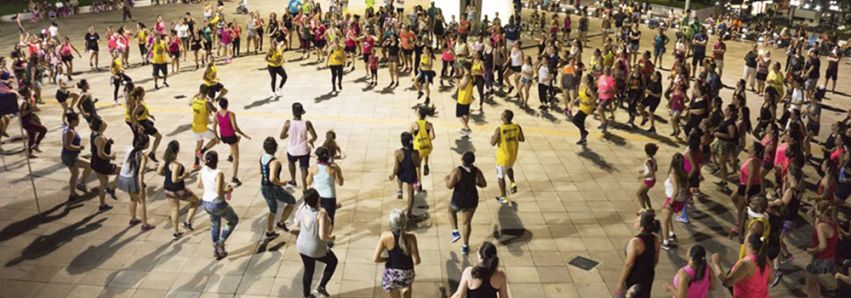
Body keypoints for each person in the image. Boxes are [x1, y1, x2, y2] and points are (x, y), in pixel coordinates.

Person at [296, 188, 338, 298]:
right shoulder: (321, 214)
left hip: (301, 245)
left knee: (308, 270)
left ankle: (306, 295)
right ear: (318, 199)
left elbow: (297, 224)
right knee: (333, 261)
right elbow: (322, 236)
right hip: (314, 248)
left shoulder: (302, 207)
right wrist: (331, 238)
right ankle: (322, 286)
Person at [198, 151, 238, 259]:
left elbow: (198, 185)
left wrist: (209, 185)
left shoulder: (202, 170)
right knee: (233, 220)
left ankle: (217, 250)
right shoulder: (218, 173)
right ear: (217, 161)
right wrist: (227, 190)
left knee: (215, 224)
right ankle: (220, 242)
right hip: (217, 203)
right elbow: (219, 191)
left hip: (206, 202)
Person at [373, 208, 421, 298]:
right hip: (407, 273)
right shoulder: (411, 238)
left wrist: (386, 259)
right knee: (407, 285)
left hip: (392, 274)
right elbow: (417, 261)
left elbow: (375, 258)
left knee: (393, 289)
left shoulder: (385, 237)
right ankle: (406, 290)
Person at [446, 151, 487, 255]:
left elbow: (450, 186)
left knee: (451, 211)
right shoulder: (476, 171)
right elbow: (483, 184)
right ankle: (465, 246)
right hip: (472, 200)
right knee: (466, 223)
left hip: (459, 199)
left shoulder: (457, 171)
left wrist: (447, 179)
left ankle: (455, 231)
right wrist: (474, 182)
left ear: (462, 159)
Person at [159, 140, 200, 240]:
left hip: (167, 189)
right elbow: (175, 179)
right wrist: (184, 175)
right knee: (196, 201)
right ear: (177, 150)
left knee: (174, 210)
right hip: (178, 189)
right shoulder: (176, 165)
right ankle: (187, 222)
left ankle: (176, 232)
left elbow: (159, 172)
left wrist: (167, 175)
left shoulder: (163, 161)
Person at [710, 233, 773, 297]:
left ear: (749, 245)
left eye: (745, 239)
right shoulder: (766, 260)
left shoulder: (746, 264)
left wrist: (716, 263)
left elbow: (727, 282)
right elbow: (770, 280)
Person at [615, 211, 661, 298]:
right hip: (648, 275)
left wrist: (620, 283)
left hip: (634, 276)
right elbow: (655, 259)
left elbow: (629, 264)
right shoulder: (655, 240)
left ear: (642, 227)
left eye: (637, 221)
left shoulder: (635, 241)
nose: (634, 222)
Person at [259, 137, 297, 238]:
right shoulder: (274, 162)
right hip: (272, 187)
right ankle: (281, 222)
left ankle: (270, 231)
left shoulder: (262, 157)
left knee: (273, 209)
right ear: (275, 148)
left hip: (263, 186)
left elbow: (262, 172)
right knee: (292, 201)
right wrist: (281, 183)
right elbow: (272, 178)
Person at [117, 134, 154, 232]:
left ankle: (133, 219)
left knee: (132, 198)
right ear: (146, 144)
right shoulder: (143, 156)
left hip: (123, 177)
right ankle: (144, 225)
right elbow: (141, 172)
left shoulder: (129, 149)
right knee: (142, 201)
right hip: (133, 179)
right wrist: (140, 185)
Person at [212, 98, 251, 186]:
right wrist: (245, 135)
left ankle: (230, 156)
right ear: (227, 104)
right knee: (236, 158)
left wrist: (217, 137)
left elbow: (214, 127)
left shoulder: (216, 115)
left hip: (223, 137)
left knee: (237, 139)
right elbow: (235, 128)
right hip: (231, 136)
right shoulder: (231, 114)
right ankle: (234, 177)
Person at [280, 102, 317, 191]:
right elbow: (315, 136)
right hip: (303, 150)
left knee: (291, 163)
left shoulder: (288, 123)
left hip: (292, 150)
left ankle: (293, 180)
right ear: (301, 112)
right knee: (304, 168)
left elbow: (281, 136)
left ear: (293, 112)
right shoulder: (307, 123)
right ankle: (305, 188)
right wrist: (311, 141)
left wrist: (289, 135)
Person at [805, 202, 839, 298]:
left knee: (810, 287)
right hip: (830, 257)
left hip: (820, 259)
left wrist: (811, 251)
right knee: (816, 283)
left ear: (821, 212)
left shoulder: (822, 226)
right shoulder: (834, 223)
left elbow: (823, 246)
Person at [491, 109, 524, 205]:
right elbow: (522, 139)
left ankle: (503, 197)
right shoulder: (517, 127)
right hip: (513, 155)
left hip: (503, 157)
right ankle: (513, 183)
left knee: (500, 177)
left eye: (502, 114)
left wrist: (493, 137)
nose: (500, 115)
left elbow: (493, 143)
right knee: (509, 168)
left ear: (505, 118)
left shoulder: (499, 129)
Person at [307, 146, 344, 225]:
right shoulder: (332, 169)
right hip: (329, 197)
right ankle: (327, 236)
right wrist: (338, 171)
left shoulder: (313, 169)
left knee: (317, 219)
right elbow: (340, 183)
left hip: (317, 196)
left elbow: (308, 182)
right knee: (329, 220)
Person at [89, 117, 119, 212]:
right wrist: (111, 157)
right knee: (122, 171)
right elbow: (100, 154)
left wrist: (108, 142)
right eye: (102, 123)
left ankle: (102, 205)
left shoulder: (94, 134)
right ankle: (112, 188)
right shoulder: (100, 138)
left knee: (103, 183)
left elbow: (105, 125)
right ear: (100, 125)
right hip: (102, 164)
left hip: (95, 163)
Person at [660, 153, 689, 250]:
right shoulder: (684, 173)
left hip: (672, 199)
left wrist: (670, 202)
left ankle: (665, 242)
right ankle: (671, 233)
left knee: (663, 221)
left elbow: (676, 190)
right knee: (668, 218)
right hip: (681, 200)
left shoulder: (674, 174)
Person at [62, 112, 92, 201]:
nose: (79, 121)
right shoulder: (70, 132)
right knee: (89, 166)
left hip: (70, 155)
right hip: (70, 156)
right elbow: (67, 145)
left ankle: (74, 192)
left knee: (75, 174)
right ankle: (78, 188)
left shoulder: (68, 129)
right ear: (73, 121)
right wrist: (79, 147)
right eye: (77, 120)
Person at [390, 132, 420, 219]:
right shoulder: (415, 153)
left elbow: (396, 167)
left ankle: (400, 189)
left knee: (399, 175)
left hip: (401, 174)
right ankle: (409, 213)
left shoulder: (398, 153)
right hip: (411, 175)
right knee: (411, 195)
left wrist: (393, 175)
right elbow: (417, 164)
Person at [191, 86, 219, 170]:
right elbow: (215, 110)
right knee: (216, 139)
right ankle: (202, 152)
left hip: (195, 126)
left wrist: (196, 94)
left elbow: (189, 102)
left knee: (198, 144)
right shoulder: (206, 103)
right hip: (202, 128)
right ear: (207, 93)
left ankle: (196, 164)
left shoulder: (194, 99)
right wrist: (211, 102)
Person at [636, 143, 658, 212]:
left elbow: (651, 172)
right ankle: (649, 207)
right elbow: (655, 169)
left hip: (649, 180)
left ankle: (643, 209)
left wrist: (643, 176)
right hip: (652, 179)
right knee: (644, 194)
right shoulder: (653, 159)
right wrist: (644, 170)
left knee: (639, 194)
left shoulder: (648, 161)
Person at [456, 62, 474, 137]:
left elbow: (461, 87)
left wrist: (456, 82)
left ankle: (467, 128)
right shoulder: (470, 76)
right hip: (467, 97)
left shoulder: (466, 76)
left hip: (463, 98)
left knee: (459, 114)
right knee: (465, 113)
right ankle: (464, 128)